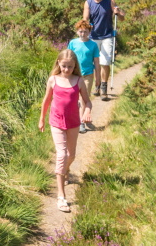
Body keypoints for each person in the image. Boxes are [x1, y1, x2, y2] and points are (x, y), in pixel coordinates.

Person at [39, 49, 91, 213]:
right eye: (63, 66)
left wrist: (87, 111)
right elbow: (46, 101)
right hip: (56, 122)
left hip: (73, 123)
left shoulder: (79, 81)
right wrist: (41, 119)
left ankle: (65, 169)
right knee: (61, 155)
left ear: (75, 65)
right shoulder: (53, 80)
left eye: (70, 66)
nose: (66, 69)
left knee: (71, 155)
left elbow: (87, 102)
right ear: (58, 64)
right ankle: (61, 197)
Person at [83, 0, 123, 100]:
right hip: (93, 37)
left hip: (107, 36)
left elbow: (121, 18)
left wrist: (118, 12)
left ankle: (104, 89)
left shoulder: (109, 1)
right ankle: (97, 85)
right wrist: (86, 26)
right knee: (95, 63)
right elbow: (85, 18)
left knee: (105, 62)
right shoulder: (88, 3)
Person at [67, 20, 99, 133]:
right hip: (74, 74)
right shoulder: (72, 43)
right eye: (80, 32)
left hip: (88, 75)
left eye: (85, 32)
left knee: (83, 98)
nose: (83, 34)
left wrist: (98, 78)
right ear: (77, 32)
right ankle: (76, 119)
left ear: (89, 32)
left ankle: (81, 122)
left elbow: (96, 62)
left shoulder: (93, 45)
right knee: (73, 98)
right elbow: (68, 57)